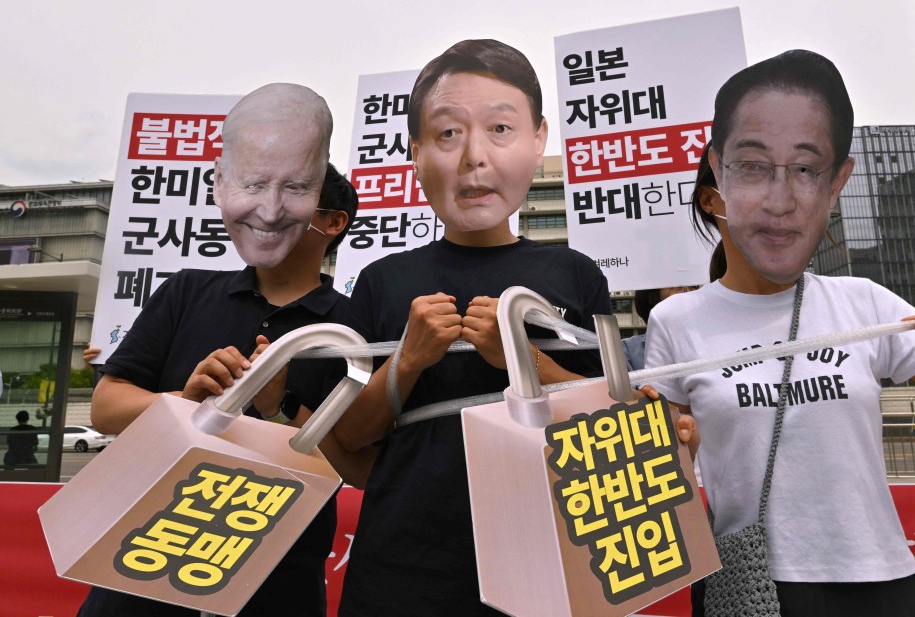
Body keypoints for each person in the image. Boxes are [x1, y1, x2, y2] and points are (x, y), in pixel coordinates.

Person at [644, 50, 915, 617]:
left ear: (835, 183)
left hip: (882, 584)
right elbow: (670, 494)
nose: (780, 199)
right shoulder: (675, 322)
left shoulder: (862, 303)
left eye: (804, 169)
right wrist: (675, 452)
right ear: (717, 186)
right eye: (752, 167)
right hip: (753, 590)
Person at [332, 39, 612, 616]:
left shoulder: (575, 274)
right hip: (402, 567)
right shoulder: (381, 281)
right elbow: (348, 436)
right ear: (415, 153)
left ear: (539, 138)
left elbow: (615, 424)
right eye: (448, 135)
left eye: (501, 130)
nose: (473, 158)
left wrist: (523, 362)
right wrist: (407, 360)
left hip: (547, 558)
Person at [78, 84, 366, 617]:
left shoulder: (351, 328)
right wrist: (188, 403)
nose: (269, 210)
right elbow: (106, 405)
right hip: (145, 555)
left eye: (297, 191)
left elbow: (354, 465)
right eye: (254, 187)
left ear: (330, 222)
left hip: (277, 575)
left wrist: (273, 409)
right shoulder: (187, 290)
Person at [622, 286, 699, 371]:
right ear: (652, 296)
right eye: (678, 287)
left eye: (694, 287)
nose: (687, 293)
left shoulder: (711, 342)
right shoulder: (628, 350)